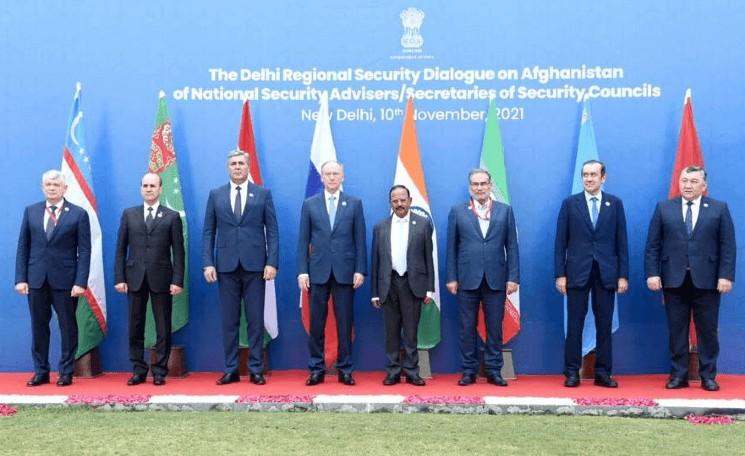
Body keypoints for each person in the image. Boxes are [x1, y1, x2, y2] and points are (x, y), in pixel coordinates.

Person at [645, 165, 735, 391]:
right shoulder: (664, 208)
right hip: (674, 280)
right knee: (677, 331)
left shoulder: (719, 208)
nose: (687, 185)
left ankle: (708, 376)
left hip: (707, 281)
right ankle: (678, 376)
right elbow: (653, 245)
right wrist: (653, 273)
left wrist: (725, 276)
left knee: (708, 331)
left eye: (694, 181)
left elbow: (728, 246)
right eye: (684, 180)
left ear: (704, 186)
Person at [203, 149, 279, 386]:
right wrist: (208, 262)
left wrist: (272, 262)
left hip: (256, 266)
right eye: (233, 164)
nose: (237, 167)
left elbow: (273, 232)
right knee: (229, 320)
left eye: (241, 164)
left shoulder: (262, 194)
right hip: (225, 266)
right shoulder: (216, 195)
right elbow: (208, 232)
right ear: (228, 168)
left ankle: (255, 369)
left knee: (255, 320)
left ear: (248, 167)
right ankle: (231, 369)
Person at [554, 160, 629, 388]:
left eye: (593, 175)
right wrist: (560, 274)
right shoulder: (570, 204)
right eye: (585, 175)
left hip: (606, 273)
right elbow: (560, 242)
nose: (588, 179)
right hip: (576, 273)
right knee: (575, 324)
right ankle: (571, 373)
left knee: (604, 324)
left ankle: (603, 373)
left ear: (603, 177)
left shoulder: (614, 204)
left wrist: (622, 275)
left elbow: (621, 242)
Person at [15, 169, 91, 387]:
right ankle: (41, 371)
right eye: (47, 184)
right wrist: (21, 278)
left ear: (64, 188)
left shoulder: (78, 214)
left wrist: (80, 282)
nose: (51, 187)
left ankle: (66, 371)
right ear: (42, 187)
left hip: (66, 282)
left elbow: (85, 251)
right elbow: (23, 247)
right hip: (36, 279)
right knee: (39, 327)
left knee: (68, 327)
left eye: (56, 184)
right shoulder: (31, 211)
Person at [446, 169, 519, 387]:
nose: (479, 188)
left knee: (494, 327)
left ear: (490, 185)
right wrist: (451, 277)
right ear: (470, 187)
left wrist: (513, 277)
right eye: (475, 184)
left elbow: (512, 247)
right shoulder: (458, 211)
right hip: (467, 278)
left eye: (483, 184)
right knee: (466, 327)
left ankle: (493, 370)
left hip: (496, 278)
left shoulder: (505, 211)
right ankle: (468, 370)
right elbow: (451, 247)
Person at [297, 160, 366, 386]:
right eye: (328, 174)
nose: (332, 177)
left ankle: (345, 369)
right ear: (322, 178)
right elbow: (303, 241)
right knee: (317, 323)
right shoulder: (310, 204)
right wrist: (302, 271)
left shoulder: (354, 204)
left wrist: (360, 269)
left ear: (343, 177)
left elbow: (360, 241)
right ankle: (316, 369)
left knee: (345, 323)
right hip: (317, 273)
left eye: (336, 174)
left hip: (346, 273)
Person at [114, 173, 185, 386]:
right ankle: (138, 369)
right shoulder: (129, 214)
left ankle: (160, 370)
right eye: (145, 185)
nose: (148, 189)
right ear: (140, 189)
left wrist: (177, 280)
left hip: (162, 278)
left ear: (160, 189)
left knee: (163, 325)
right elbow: (120, 249)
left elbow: (179, 252)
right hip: (134, 278)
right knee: (135, 325)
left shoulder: (171, 217)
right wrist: (119, 277)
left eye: (152, 186)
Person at [371, 185, 434, 386]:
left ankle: (412, 371)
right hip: (388, 285)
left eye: (402, 200)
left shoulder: (423, 224)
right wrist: (374, 292)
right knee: (391, 332)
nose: (399, 204)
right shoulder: (380, 227)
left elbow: (428, 259)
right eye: (395, 200)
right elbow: (376, 261)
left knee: (410, 331)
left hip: (412, 284)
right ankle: (393, 371)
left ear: (410, 200)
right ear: (390, 203)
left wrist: (430, 288)